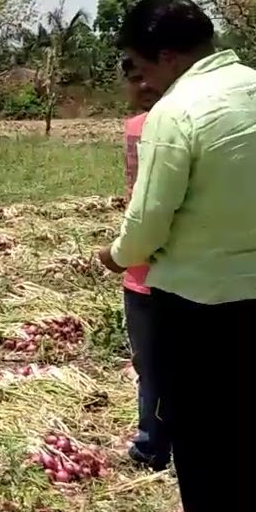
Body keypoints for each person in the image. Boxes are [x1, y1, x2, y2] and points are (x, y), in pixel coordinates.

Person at [97, 0, 256, 512]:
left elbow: (150, 219)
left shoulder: (178, 111)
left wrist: (114, 253)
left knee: (199, 432)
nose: (141, 80)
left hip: (194, 296)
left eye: (141, 65)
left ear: (164, 55)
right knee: (243, 421)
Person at [117, 57, 168, 472]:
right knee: (152, 363)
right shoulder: (135, 128)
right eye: (136, 80)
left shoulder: (159, 126)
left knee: (154, 362)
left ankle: (153, 444)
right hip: (149, 264)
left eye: (146, 77)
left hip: (153, 265)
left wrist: (118, 253)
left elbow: (147, 206)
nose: (144, 86)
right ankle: (153, 440)